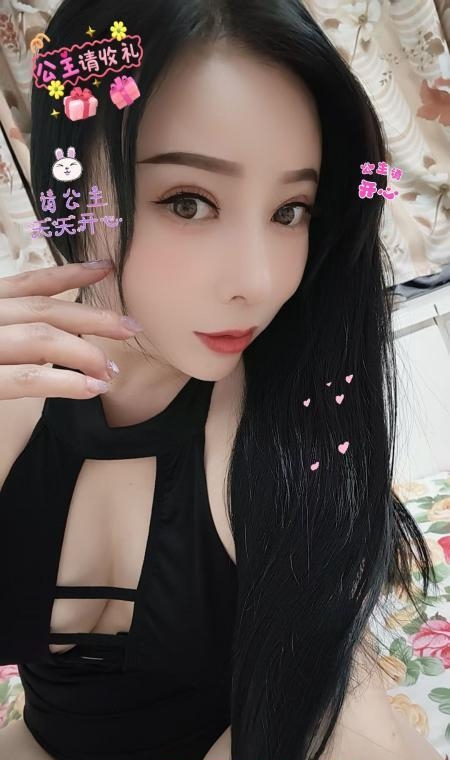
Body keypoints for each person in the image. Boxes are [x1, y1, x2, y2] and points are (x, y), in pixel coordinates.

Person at [0, 1, 441, 759]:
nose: (260, 282)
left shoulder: (289, 416)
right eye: (189, 201)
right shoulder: (12, 396)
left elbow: (330, 702)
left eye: (291, 211)